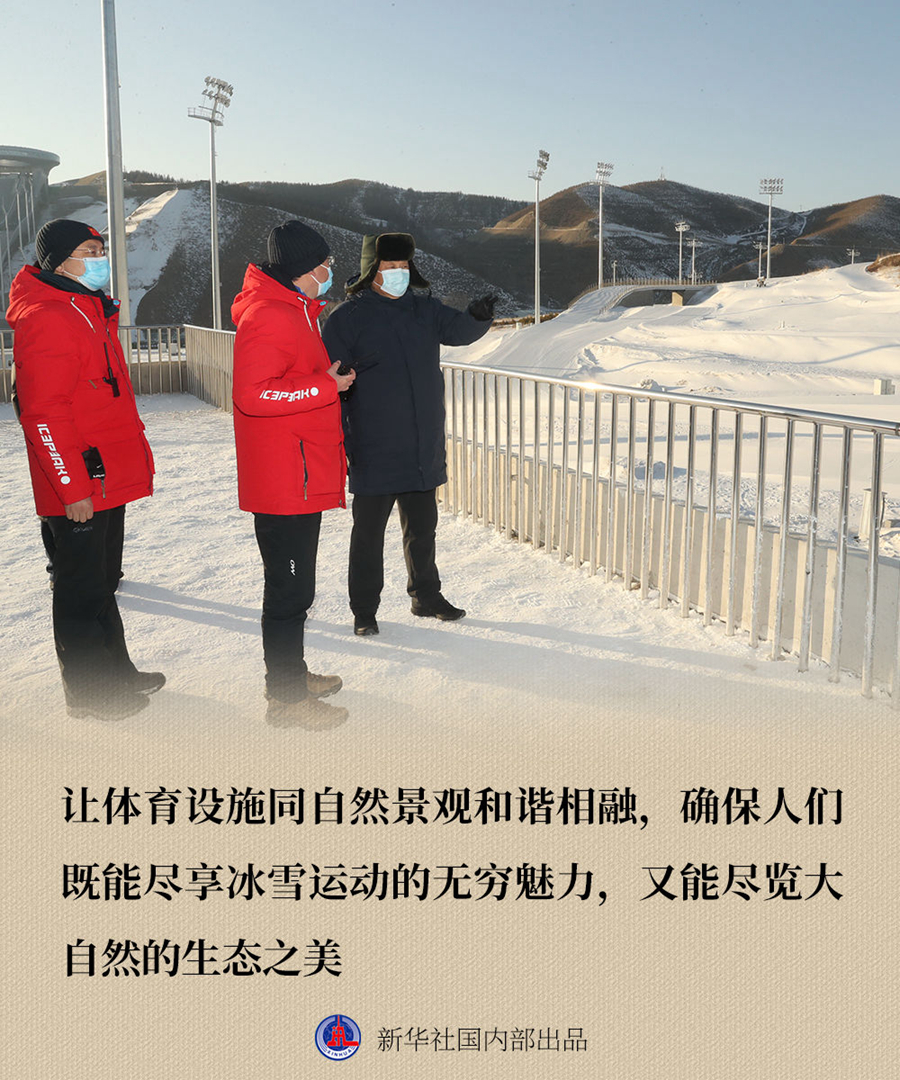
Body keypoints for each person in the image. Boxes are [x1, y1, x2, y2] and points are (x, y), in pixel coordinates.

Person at [7, 219, 163, 720]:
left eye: (100, 249)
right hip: (78, 483)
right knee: (78, 590)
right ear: (59, 262)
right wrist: (71, 487)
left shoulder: (86, 308)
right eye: (88, 251)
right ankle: (90, 695)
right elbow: (43, 414)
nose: (99, 259)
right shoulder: (49, 316)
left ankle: (117, 672)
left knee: (100, 581)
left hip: (103, 475)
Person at [322, 232, 496, 636]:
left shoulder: (424, 309)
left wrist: (477, 316)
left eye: (403, 266)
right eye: (390, 267)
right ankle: (364, 609)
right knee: (368, 535)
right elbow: (329, 377)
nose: (399, 273)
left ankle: (426, 596)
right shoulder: (347, 318)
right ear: (371, 271)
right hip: (374, 445)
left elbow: (458, 331)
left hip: (421, 444)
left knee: (423, 529)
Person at [232, 220, 355, 727]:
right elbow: (253, 394)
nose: (329, 271)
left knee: (297, 589)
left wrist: (323, 380)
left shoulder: (295, 310)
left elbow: (285, 379)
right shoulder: (270, 315)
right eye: (324, 264)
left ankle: (291, 675)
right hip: (285, 479)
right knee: (287, 592)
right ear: (304, 268)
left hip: (298, 471)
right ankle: (285, 701)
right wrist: (326, 387)